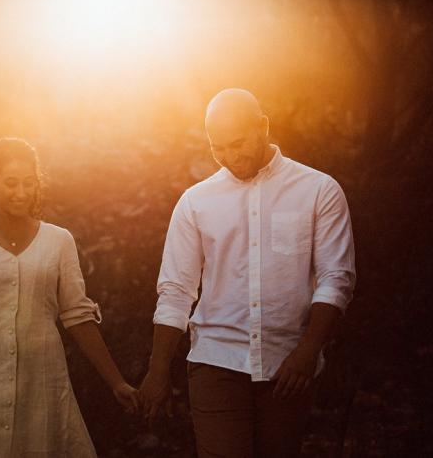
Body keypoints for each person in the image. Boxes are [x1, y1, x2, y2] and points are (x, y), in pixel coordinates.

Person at [139, 89, 356, 457]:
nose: (229, 157)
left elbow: (336, 279)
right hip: (216, 359)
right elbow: (176, 290)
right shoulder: (196, 202)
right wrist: (157, 372)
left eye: (237, 143)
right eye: (217, 147)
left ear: (263, 127)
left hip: (287, 365)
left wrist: (308, 352)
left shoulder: (319, 191)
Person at [0, 137, 138, 457]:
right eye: (11, 183)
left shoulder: (59, 241)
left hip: (43, 377)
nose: (21, 193)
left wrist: (116, 382)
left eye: (29, 183)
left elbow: (77, 315)